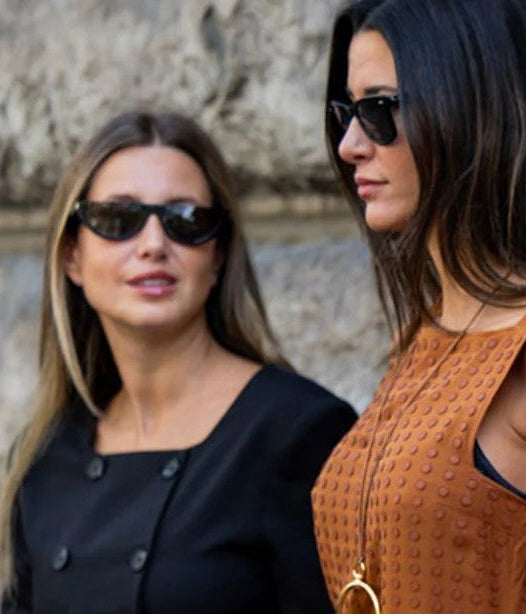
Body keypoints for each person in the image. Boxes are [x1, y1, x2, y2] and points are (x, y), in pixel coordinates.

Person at [310, 1, 526, 612]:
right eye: (347, 112)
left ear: (475, 110)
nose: (349, 145)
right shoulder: (423, 332)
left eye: (379, 110)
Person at [0, 111, 357, 614]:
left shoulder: (298, 432)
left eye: (185, 220)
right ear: (72, 257)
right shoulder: (45, 456)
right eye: (118, 219)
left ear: (218, 255)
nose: (153, 245)